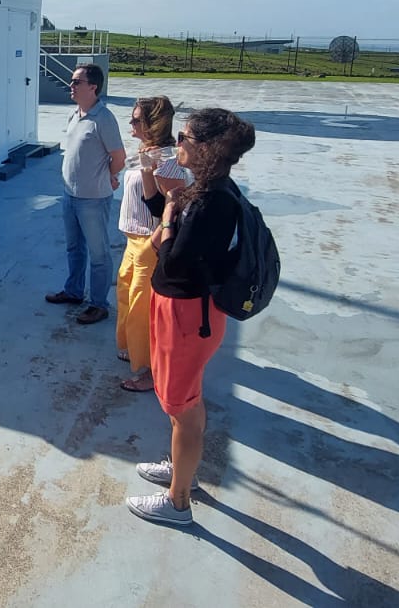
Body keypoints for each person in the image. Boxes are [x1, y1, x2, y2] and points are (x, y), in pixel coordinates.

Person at [127, 108, 256, 527]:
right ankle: (182, 468)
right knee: (186, 401)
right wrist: (158, 187)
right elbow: (157, 209)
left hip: (187, 315)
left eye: (183, 138)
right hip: (183, 312)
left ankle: (178, 500)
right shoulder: (206, 189)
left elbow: (174, 257)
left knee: (181, 406)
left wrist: (167, 216)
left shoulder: (212, 202)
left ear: (204, 148)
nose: (176, 144)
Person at [115, 97, 190, 393]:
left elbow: (164, 209)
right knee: (126, 292)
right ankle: (132, 350)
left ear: (152, 124)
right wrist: (146, 168)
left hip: (151, 240)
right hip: (133, 237)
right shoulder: (148, 154)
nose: (131, 125)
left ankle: (150, 371)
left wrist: (150, 170)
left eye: (136, 120)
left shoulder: (169, 162)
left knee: (142, 306)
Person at [45, 63, 126, 324]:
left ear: (93, 87)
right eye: (72, 80)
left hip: (93, 199)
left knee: (98, 254)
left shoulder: (104, 118)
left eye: (77, 81)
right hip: (69, 196)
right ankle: (74, 291)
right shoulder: (75, 115)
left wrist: (109, 176)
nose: (72, 85)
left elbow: (119, 157)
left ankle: (99, 304)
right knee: (74, 249)